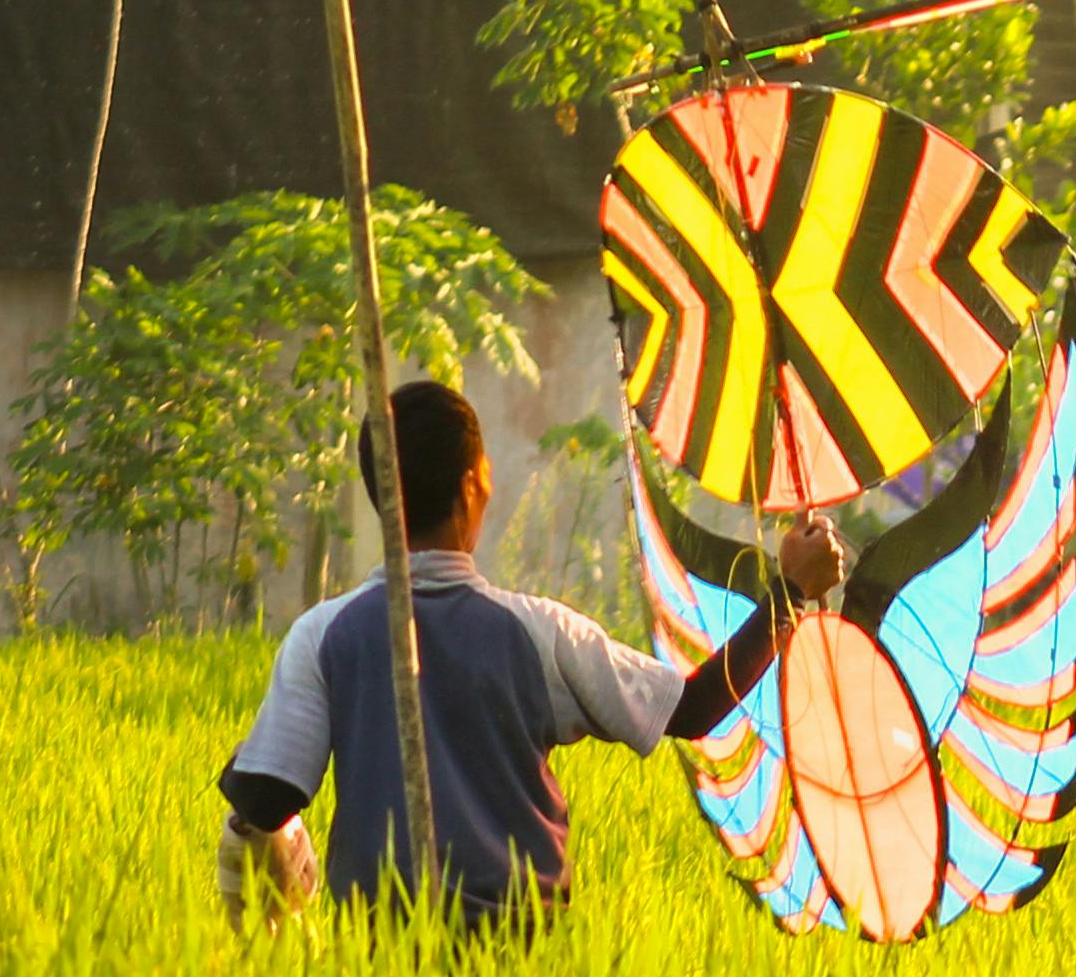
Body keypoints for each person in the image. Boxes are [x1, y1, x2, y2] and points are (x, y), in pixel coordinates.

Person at [217, 378, 835, 926]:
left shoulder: (323, 636)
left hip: (380, 944)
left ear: (379, 498)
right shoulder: (539, 632)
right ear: (472, 488)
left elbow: (268, 800)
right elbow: (694, 709)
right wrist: (789, 592)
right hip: (522, 938)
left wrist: (241, 772)